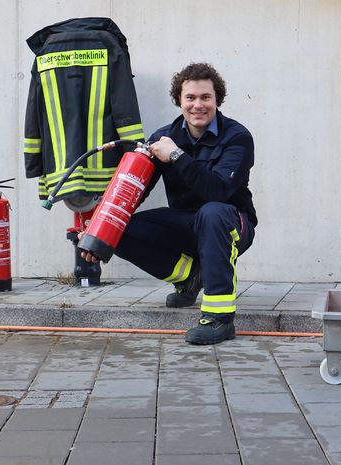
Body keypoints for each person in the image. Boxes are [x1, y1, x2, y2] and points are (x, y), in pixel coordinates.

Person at [83, 62, 257, 345]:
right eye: (190, 97)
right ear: (179, 100)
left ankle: (220, 320)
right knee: (120, 229)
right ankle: (191, 277)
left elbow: (219, 191)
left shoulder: (236, 138)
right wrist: (99, 231)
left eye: (205, 97)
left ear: (217, 100)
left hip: (231, 224)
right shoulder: (162, 138)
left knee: (212, 212)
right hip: (186, 225)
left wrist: (176, 155)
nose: (198, 105)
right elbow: (134, 191)